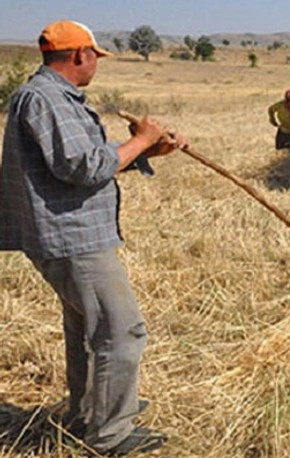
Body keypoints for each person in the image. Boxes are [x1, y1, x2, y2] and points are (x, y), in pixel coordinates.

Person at [0, 20, 187, 456]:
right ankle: (111, 435)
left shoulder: (53, 97)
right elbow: (83, 167)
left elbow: (90, 159)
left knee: (87, 330)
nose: (95, 65)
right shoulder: (45, 98)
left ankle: (90, 413)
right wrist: (141, 139)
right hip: (72, 237)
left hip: (70, 235)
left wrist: (148, 149)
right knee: (122, 331)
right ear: (80, 55)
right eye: (94, 57)